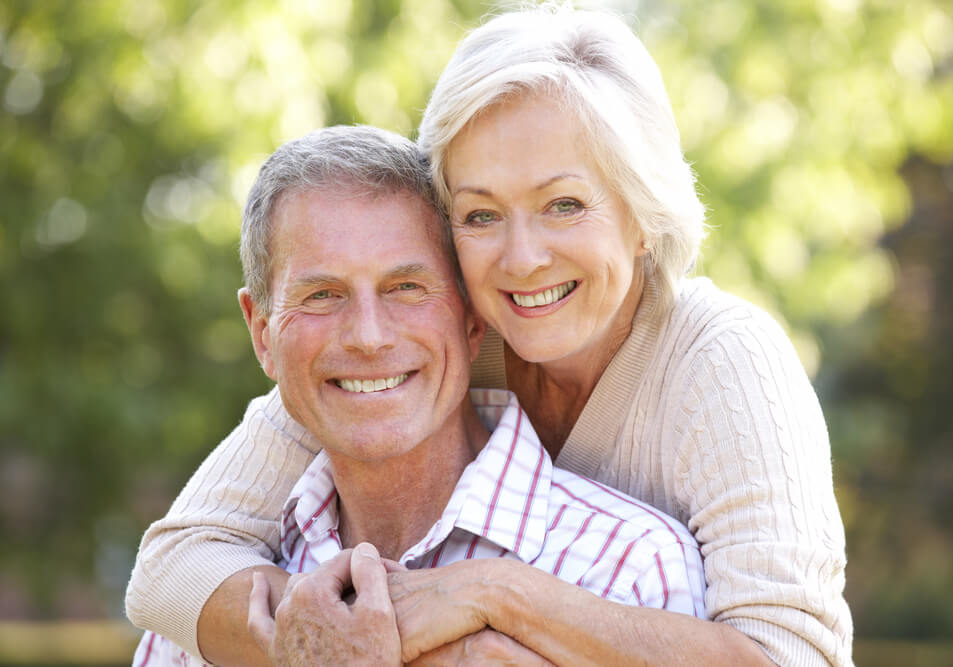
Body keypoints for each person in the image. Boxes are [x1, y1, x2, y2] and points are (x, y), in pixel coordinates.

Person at [126, 4, 853, 666]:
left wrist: (496, 595)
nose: (523, 257)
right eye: (480, 215)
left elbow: (794, 658)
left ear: (643, 211)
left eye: (564, 204)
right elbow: (169, 569)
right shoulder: (433, 344)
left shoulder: (722, 361)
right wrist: (337, 637)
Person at [129, 124, 706, 666]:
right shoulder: (205, 608)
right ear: (261, 334)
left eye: (406, 288)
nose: (369, 337)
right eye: (323, 295)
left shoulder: (630, 570)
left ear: (472, 319)